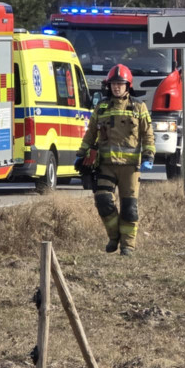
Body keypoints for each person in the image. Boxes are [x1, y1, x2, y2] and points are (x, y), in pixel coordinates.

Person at [76, 64, 154, 256]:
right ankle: (114, 237)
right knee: (103, 202)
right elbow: (90, 133)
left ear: (128, 86)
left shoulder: (138, 107)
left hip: (130, 168)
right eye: (113, 84)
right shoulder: (101, 107)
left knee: (129, 209)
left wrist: (149, 155)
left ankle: (128, 246)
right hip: (106, 165)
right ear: (108, 86)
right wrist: (81, 153)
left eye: (120, 84)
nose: (116, 87)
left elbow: (148, 134)